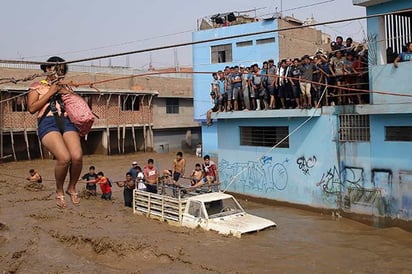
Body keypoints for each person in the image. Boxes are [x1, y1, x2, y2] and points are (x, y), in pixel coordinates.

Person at [27, 56, 82, 209]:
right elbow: (32, 108)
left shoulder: (66, 86)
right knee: (64, 158)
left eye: (61, 71)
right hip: (48, 122)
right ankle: (59, 191)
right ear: (46, 69)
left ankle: (71, 187)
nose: (58, 73)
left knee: (77, 156)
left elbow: (76, 104)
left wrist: (66, 91)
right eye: (54, 69)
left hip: (67, 121)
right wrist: (51, 91)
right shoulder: (37, 86)